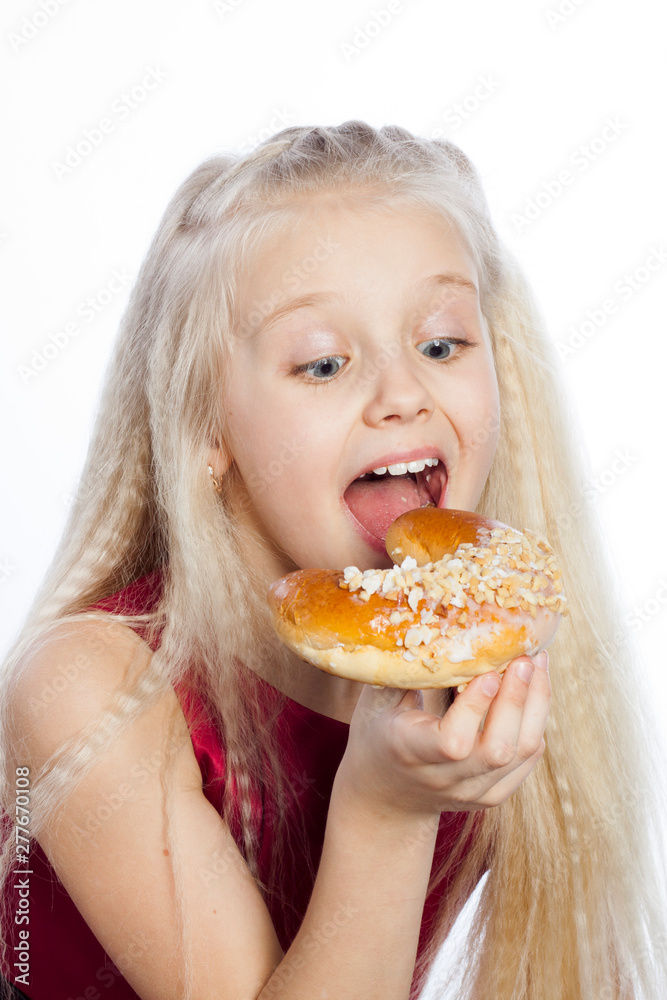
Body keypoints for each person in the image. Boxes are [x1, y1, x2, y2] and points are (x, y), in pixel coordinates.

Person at [0, 121, 665, 1000]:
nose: (401, 394)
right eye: (322, 363)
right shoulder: (91, 686)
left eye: (440, 345)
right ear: (205, 427)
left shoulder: (478, 664)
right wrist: (388, 810)